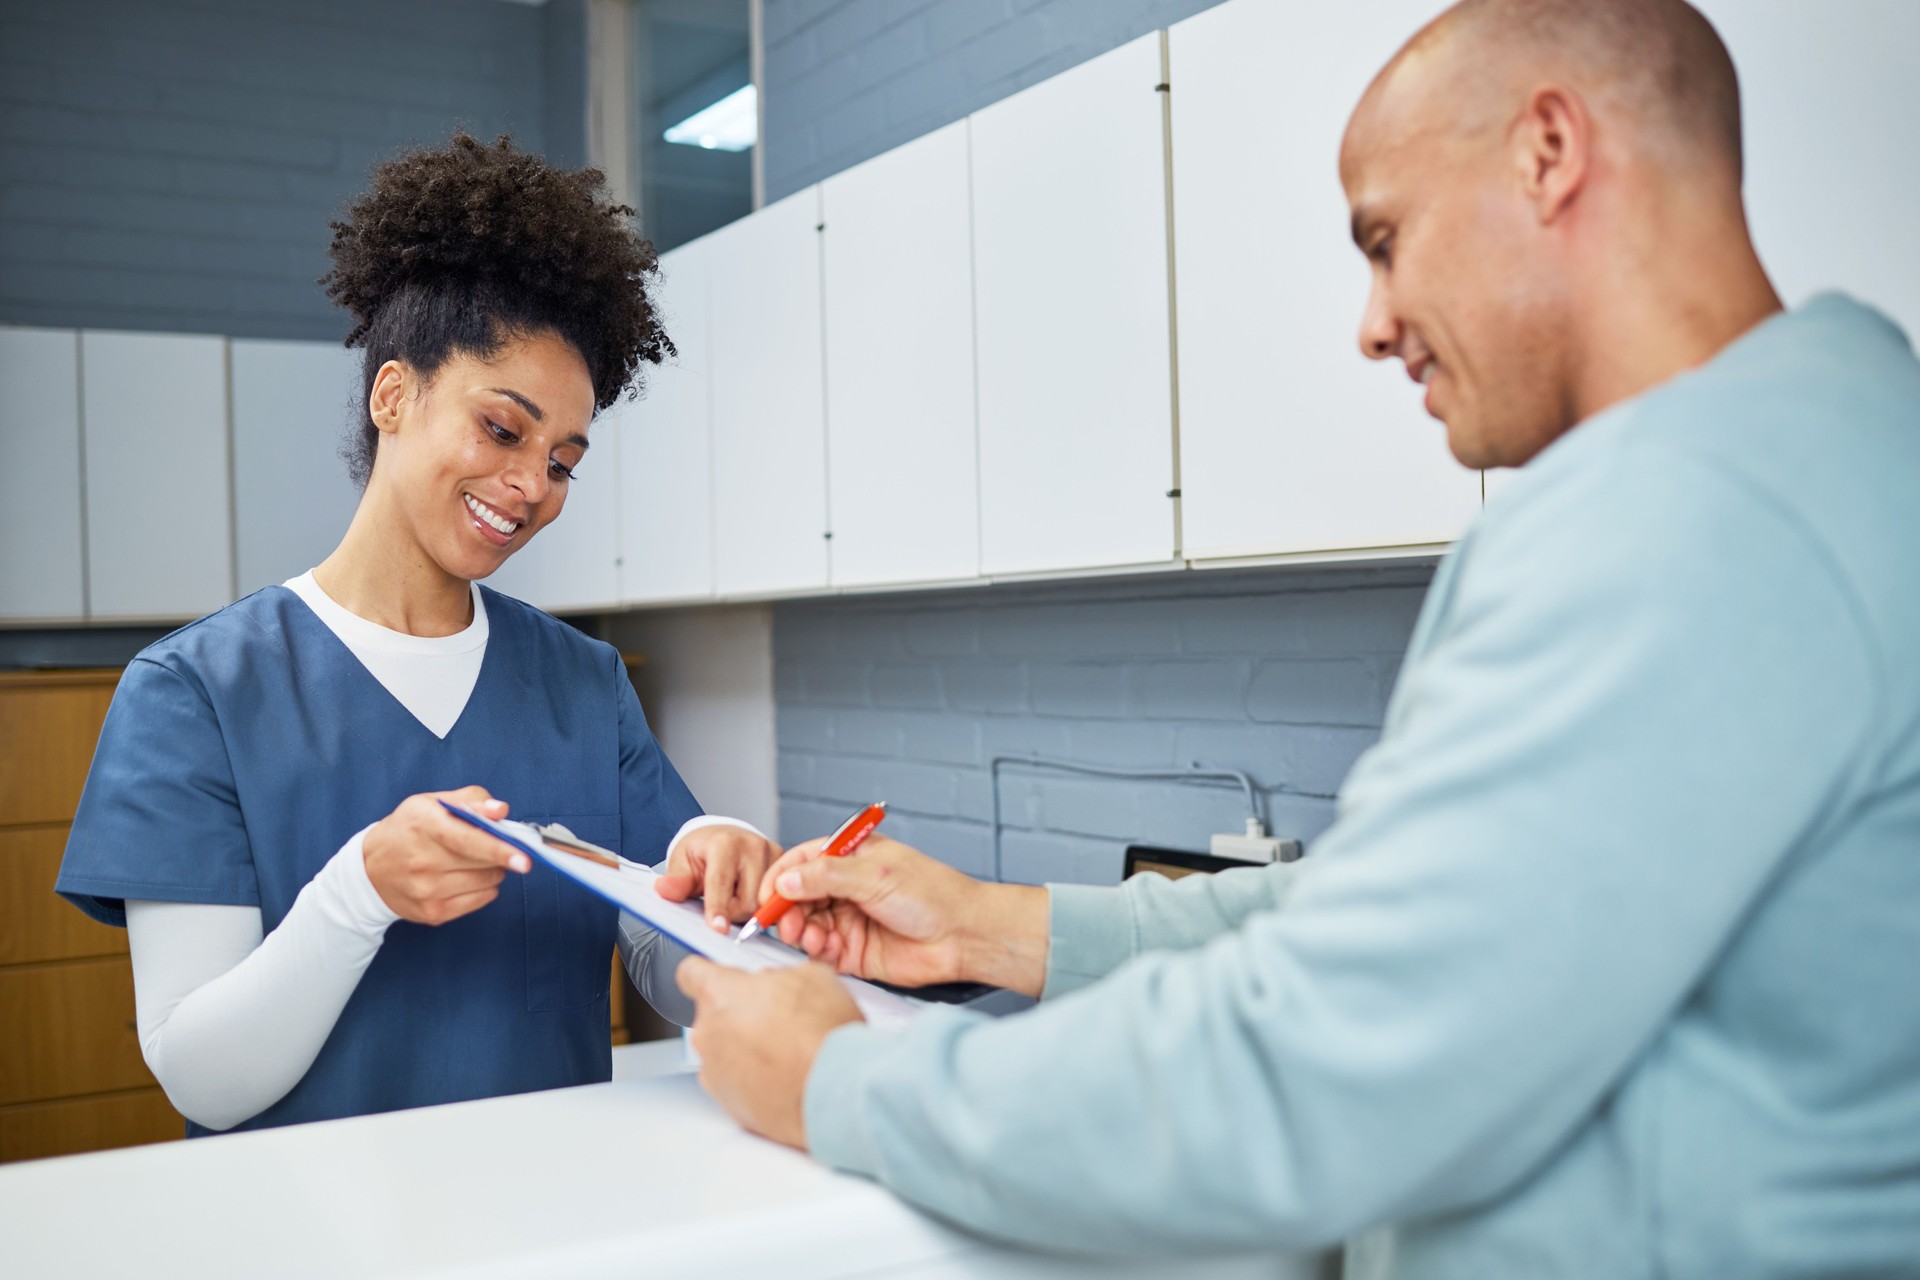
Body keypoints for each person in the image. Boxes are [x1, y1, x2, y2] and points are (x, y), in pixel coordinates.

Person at [672, 1, 1920, 1275]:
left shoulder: (1695, 508)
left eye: (1385, 240)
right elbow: (1393, 915)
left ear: (1550, 150)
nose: (1373, 322)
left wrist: (842, 1077)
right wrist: (988, 927)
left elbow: (1323, 1060)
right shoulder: (1834, 454)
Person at [55, 134, 775, 1136]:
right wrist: (360, 891)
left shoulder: (583, 679)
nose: (532, 485)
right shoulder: (196, 692)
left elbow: (657, 952)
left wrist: (727, 895)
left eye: (565, 460)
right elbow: (200, 1077)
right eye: (502, 428)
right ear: (392, 395)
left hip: (555, 1207)